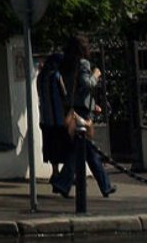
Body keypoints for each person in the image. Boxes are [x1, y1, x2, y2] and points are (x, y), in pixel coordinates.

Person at [52, 34, 116, 199]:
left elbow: (72, 89)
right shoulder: (83, 64)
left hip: (72, 110)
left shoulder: (65, 64)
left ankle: (104, 185)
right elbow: (86, 84)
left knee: (84, 151)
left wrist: (93, 104)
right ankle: (64, 183)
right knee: (84, 149)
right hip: (82, 114)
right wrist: (96, 74)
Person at [37, 48, 71, 184]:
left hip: (45, 119)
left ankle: (55, 172)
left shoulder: (40, 76)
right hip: (59, 119)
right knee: (64, 146)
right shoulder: (57, 76)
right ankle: (65, 176)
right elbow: (64, 95)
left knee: (50, 147)